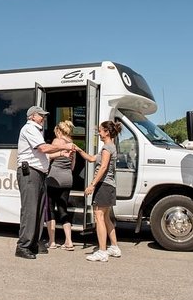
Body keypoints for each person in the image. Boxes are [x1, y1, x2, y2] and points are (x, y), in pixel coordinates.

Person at [15, 106, 75, 259]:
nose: (44, 118)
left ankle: (33, 243)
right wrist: (64, 145)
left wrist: (61, 153)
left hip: (39, 173)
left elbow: (44, 154)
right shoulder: (29, 129)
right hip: (30, 173)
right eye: (41, 115)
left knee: (39, 211)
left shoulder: (36, 130)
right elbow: (43, 149)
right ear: (33, 116)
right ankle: (23, 246)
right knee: (30, 210)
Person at [74, 120, 123, 262]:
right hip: (109, 185)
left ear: (106, 132)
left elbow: (103, 167)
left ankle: (102, 251)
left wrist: (92, 185)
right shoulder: (108, 147)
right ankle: (114, 247)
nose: (99, 132)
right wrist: (78, 149)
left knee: (99, 217)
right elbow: (91, 159)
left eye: (100, 130)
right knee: (106, 218)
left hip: (104, 185)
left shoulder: (107, 148)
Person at [45, 120, 76, 251]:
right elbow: (73, 166)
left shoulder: (56, 142)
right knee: (63, 209)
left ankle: (52, 241)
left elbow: (48, 156)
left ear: (59, 131)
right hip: (67, 178)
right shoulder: (72, 145)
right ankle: (68, 241)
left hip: (54, 178)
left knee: (51, 209)